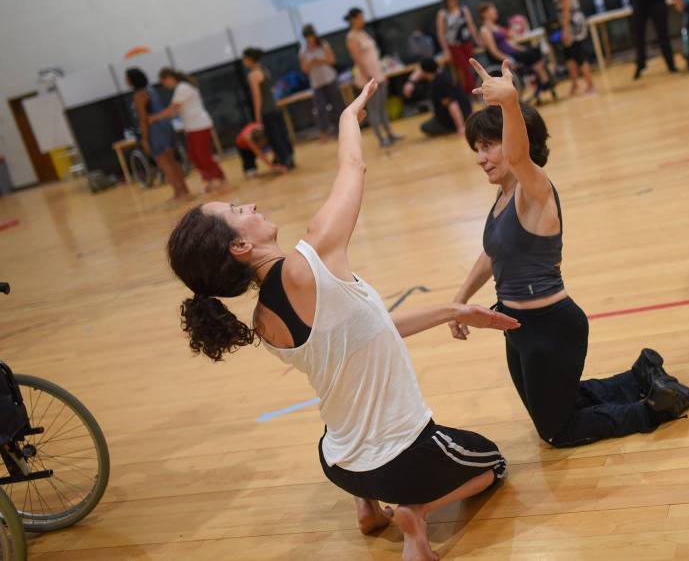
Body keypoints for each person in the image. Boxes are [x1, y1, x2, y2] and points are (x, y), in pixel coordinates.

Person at [166, 79, 517, 561]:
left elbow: (370, 330)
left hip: (340, 463)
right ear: (240, 246)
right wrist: (348, 118)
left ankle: (367, 509)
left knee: (348, 427)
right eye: (235, 211)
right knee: (492, 464)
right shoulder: (310, 260)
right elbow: (353, 165)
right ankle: (415, 513)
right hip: (402, 458)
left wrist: (452, 311)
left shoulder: (261, 317)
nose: (246, 204)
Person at [451, 58, 689, 448]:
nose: (481, 157)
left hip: (551, 327)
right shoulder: (503, 196)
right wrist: (459, 301)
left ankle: (657, 408)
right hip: (516, 328)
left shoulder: (536, 189)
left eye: (488, 146)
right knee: (554, 409)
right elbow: (491, 253)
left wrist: (510, 103)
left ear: (517, 141)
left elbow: (518, 157)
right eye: (477, 148)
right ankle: (641, 376)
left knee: (557, 431)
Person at [154, 68, 227, 192]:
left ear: (169, 78)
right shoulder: (180, 89)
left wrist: (154, 118)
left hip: (199, 125)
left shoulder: (183, 88)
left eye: (164, 82)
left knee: (203, 155)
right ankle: (208, 179)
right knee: (194, 156)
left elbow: (171, 109)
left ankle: (220, 178)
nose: (165, 86)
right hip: (192, 127)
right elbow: (173, 112)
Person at [125, 67, 191, 201]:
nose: (125, 81)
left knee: (164, 163)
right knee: (173, 160)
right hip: (166, 126)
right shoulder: (151, 90)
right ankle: (184, 189)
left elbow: (143, 119)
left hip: (155, 130)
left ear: (132, 80)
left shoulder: (139, 95)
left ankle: (178, 193)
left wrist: (144, 139)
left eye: (127, 78)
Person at [478, 1, 555, 103]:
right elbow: (494, 51)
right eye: (492, 10)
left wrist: (521, 48)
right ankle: (543, 79)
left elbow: (509, 42)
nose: (495, 12)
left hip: (512, 52)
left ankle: (541, 78)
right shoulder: (485, 30)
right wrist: (508, 59)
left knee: (534, 50)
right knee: (532, 55)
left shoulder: (497, 27)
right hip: (505, 57)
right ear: (484, 14)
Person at [345, 7, 401, 148]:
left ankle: (390, 133)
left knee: (383, 106)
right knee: (374, 109)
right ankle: (381, 139)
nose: (363, 20)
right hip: (368, 78)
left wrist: (381, 74)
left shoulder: (364, 33)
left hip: (378, 74)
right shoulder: (351, 37)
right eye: (360, 17)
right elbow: (358, 60)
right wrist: (369, 78)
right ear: (354, 19)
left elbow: (373, 57)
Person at [542, 0, 595, 96]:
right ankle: (575, 84)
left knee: (578, 53)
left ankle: (590, 85)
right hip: (569, 21)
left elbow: (566, 8)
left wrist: (565, 29)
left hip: (572, 23)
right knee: (569, 55)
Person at [241, 48, 294, 169]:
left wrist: (257, 115)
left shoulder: (253, 74)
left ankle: (284, 162)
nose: (243, 61)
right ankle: (290, 158)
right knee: (282, 134)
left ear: (249, 59)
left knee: (274, 137)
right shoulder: (265, 70)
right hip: (275, 108)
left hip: (267, 111)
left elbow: (257, 97)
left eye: (244, 58)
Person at [403, 58, 472, 137]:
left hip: (454, 119)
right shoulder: (443, 71)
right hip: (467, 112)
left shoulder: (439, 84)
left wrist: (460, 127)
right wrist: (410, 82)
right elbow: (419, 71)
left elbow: (452, 105)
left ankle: (454, 127)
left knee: (425, 127)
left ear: (424, 72)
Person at [299, 24, 344, 142]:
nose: (309, 39)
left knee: (337, 105)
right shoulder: (303, 51)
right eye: (307, 37)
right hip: (316, 83)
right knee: (320, 109)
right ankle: (325, 133)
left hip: (329, 78)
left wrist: (320, 60)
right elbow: (304, 69)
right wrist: (311, 63)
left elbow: (332, 60)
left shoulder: (323, 45)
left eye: (311, 36)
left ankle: (342, 129)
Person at [435, 0, 481, 97]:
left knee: (470, 66)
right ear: (445, 2)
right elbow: (441, 34)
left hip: (466, 42)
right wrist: (446, 50)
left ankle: (471, 91)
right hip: (454, 46)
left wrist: (477, 39)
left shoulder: (463, 9)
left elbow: (471, 25)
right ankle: (471, 92)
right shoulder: (443, 14)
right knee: (464, 68)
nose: (452, 2)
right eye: (449, 0)